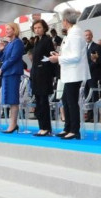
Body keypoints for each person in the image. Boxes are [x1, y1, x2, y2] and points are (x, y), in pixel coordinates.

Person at [49, 8, 91, 140]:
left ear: (66, 21)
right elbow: (71, 54)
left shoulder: (75, 34)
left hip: (74, 73)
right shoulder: (72, 33)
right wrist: (60, 55)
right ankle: (68, 127)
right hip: (70, 73)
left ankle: (74, 130)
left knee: (71, 102)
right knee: (66, 101)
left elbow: (76, 57)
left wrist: (59, 59)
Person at [0, 22, 24, 133]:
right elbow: (3, 58)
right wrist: (0, 50)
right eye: (6, 29)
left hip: (13, 73)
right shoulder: (9, 43)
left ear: (14, 30)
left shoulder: (18, 42)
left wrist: (2, 68)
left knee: (13, 99)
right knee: (9, 99)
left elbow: (13, 58)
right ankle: (12, 123)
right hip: (7, 73)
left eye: (8, 29)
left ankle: (13, 124)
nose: (6, 31)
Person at [30, 19, 55, 137]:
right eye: (35, 28)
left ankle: (46, 127)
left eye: (39, 27)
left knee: (43, 102)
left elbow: (51, 57)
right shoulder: (36, 41)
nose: (37, 30)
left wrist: (41, 65)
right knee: (38, 101)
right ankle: (42, 126)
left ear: (44, 28)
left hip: (44, 75)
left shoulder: (47, 40)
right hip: (36, 74)